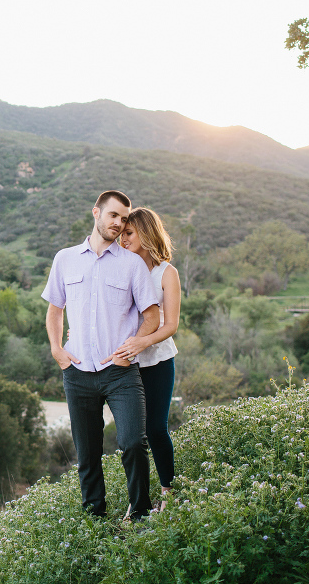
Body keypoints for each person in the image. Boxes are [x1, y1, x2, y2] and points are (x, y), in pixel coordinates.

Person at [42, 190, 160, 521]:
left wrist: (135, 344)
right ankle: (95, 519)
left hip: (120, 373)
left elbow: (151, 315)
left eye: (124, 219)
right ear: (96, 213)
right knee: (88, 453)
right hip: (77, 373)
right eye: (113, 216)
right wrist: (57, 351)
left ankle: (140, 515)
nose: (119, 224)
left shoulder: (132, 264)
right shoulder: (65, 259)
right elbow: (55, 310)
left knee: (134, 442)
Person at [113, 207, 181, 512]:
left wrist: (143, 342)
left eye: (129, 233)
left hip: (158, 361)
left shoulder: (167, 273)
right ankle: (137, 502)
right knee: (131, 436)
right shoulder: (122, 269)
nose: (123, 239)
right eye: (122, 234)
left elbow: (171, 325)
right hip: (127, 363)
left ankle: (169, 492)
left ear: (147, 232)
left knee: (155, 428)